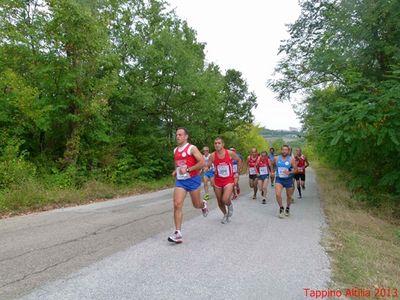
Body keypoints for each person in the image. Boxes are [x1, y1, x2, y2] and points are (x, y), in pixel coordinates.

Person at [168, 128, 209, 244]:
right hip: (180, 181)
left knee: (196, 204)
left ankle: (203, 205)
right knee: (177, 204)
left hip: (193, 180)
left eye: (180, 135)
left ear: (186, 136)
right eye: (176, 135)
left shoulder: (192, 148)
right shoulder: (175, 150)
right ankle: (177, 233)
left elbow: (202, 163)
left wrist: (189, 169)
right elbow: (177, 163)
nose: (177, 136)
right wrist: (176, 171)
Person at [207, 137, 242, 224]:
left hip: (228, 180)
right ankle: (225, 214)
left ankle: (229, 206)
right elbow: (207, 165)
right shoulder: (213, 155)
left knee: (225, 199)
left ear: (223, 144)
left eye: (219, 143)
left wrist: (237, 172)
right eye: (215, 143)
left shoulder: (230, 153)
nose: (217, 145)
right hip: (218, 180)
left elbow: (239, 160)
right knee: (219, 201)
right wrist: (206, 169)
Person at [273, 145, 297, 218]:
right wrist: (272, 171)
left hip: (288, 179)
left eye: (286, 150)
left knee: (289, 196)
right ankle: (281, 208)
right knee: (277, 194)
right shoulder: (276, 158)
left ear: (288, 151)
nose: (284, 151)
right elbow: (271, 164)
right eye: (283, 149)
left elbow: (296, 169)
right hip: (279, 179)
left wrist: (289, 172)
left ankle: (287, 208)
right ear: (281, 150)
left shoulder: (291, 159)